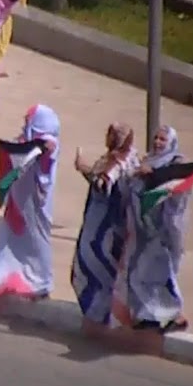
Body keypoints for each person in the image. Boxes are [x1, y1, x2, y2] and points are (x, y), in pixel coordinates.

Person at [0, 104, 61, 300]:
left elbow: (45, 156)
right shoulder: (27, 139)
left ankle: (41, 282)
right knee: (9, 240)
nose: (25, 123)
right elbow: (18, 154)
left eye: (29, 120)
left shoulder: (49, 142)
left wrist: (40, 149)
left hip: (36, 205)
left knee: (38, 242)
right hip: (19, 202)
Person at [117, 125, 191, 333]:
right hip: (142, 229)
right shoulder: (147, 160)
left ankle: (175, 316)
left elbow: (175, 192)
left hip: (162, 230)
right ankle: (147, 316)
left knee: (162, 273)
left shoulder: (175, 165)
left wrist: (153, 175)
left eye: (162, 140)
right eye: (156, 138)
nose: (158, 143)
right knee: (139, 273)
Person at [70, 122, 139, 326]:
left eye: (112, 133)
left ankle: (102, 316)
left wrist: (83, 167)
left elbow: (102, 184)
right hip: (112, 223)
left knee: (92, 269)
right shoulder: (130, 157)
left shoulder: (116, 162)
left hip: (103, 229)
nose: (108, 136)